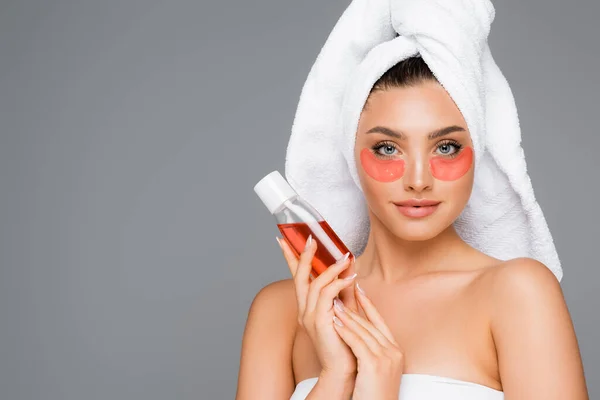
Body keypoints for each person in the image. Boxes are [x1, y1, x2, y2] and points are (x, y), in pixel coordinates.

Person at [235, 56, 589, 399]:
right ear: (349, 153)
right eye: (388, 148)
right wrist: (336, 378)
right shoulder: (280, 311)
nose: (418, 180)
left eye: (446, 147)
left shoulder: (517, 293)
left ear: (478, 151)